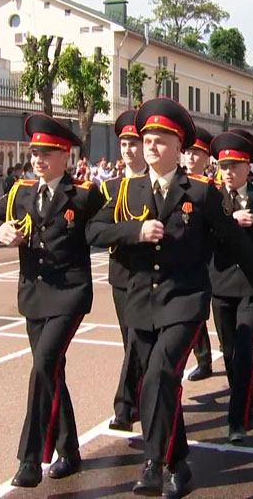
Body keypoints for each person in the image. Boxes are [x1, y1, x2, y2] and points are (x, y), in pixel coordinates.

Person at [86, 98, 253, 498]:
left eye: (160, 140)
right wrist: (134, 232)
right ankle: (179, 463)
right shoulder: (125, 190)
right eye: (147, 139)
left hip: (184, 300)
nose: (150, 146)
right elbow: (94, 232)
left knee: (161, 374)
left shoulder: (202, 194)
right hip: (140, 301)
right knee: (158, 383)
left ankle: (153, 463)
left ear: (179, 148)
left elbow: (237, 242)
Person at [0, 113, 104, 488]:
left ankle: (30, 459)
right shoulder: (19, 193)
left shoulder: (82, 195)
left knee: (44, 365)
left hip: (69, 293)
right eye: (35, 152)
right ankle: (70, 449)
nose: (39, 159)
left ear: (66, 156)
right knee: (53, 370)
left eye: (48, 152)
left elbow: (110, 224)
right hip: (34, 295)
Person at [98, 109, 149, 433]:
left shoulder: (156, 182)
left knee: (137, 340)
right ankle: (138, 401)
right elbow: (96, 231)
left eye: (135, 143)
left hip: (151, 275)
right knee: (130, 340)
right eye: (125, 143)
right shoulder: (109, 188)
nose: (129, 149)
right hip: (121, 274)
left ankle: (125, 406)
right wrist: (131, 232)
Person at [182, 127, 217, 383]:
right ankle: (203, 358)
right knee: (195, 312)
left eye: (197, 153)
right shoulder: (176, 185)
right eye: (188, 153)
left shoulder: (213, 188)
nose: (192, 158)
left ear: (206, 158)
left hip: (217, 256)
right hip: (192, 259)